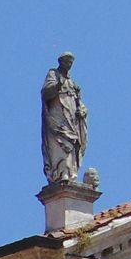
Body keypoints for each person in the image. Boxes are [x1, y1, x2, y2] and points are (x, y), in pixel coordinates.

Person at [40, 53, 88, 185]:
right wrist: (58, 85)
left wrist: (82, 110)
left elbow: (79, 103)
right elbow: (46, 93)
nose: (69, 65)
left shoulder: (73, 84)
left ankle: (70, 172)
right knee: (62, 145)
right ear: (61, 63)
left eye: (70, 63)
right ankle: (62, 173)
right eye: (67, 63)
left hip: (71, 120)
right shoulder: (53, 75)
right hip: (58, 119)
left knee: (72, 144)